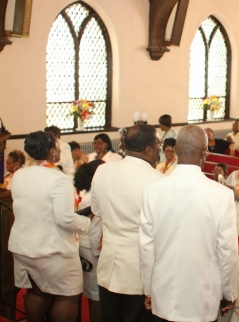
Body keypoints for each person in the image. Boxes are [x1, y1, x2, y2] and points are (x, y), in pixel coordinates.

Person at [140, 125, 238, 321]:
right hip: (202, 299)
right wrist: (229, 293)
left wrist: (148, 289)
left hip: (164, 295)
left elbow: (146, 248)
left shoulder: (152, 191)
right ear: (205, 153)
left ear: (175, 151)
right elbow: (227, 252)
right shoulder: (222, 195)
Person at [8, 131, 91, 321]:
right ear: (52, 152)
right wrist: (87, 222)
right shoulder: (58, 179)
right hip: (51, 249)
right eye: (57, 145)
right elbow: (65, 219)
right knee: (67, 295)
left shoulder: (19, 174)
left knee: (37, 291)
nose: (60, 148)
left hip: (24, 245)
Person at [91, 125, 163, 321]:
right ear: (148, 149)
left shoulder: (102, 170)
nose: (160, 151)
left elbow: (96, 211)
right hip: (139, 271)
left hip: (109, 265)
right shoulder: (158, 181)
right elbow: (161, 229)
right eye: (158, 145)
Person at [74, 160, 105, 322]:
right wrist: (98, 252)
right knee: (95, 293)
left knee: (94, 291)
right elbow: (90, 230)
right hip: (91, 249)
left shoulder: (89, 193)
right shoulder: (91, 198)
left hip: (89, 246)